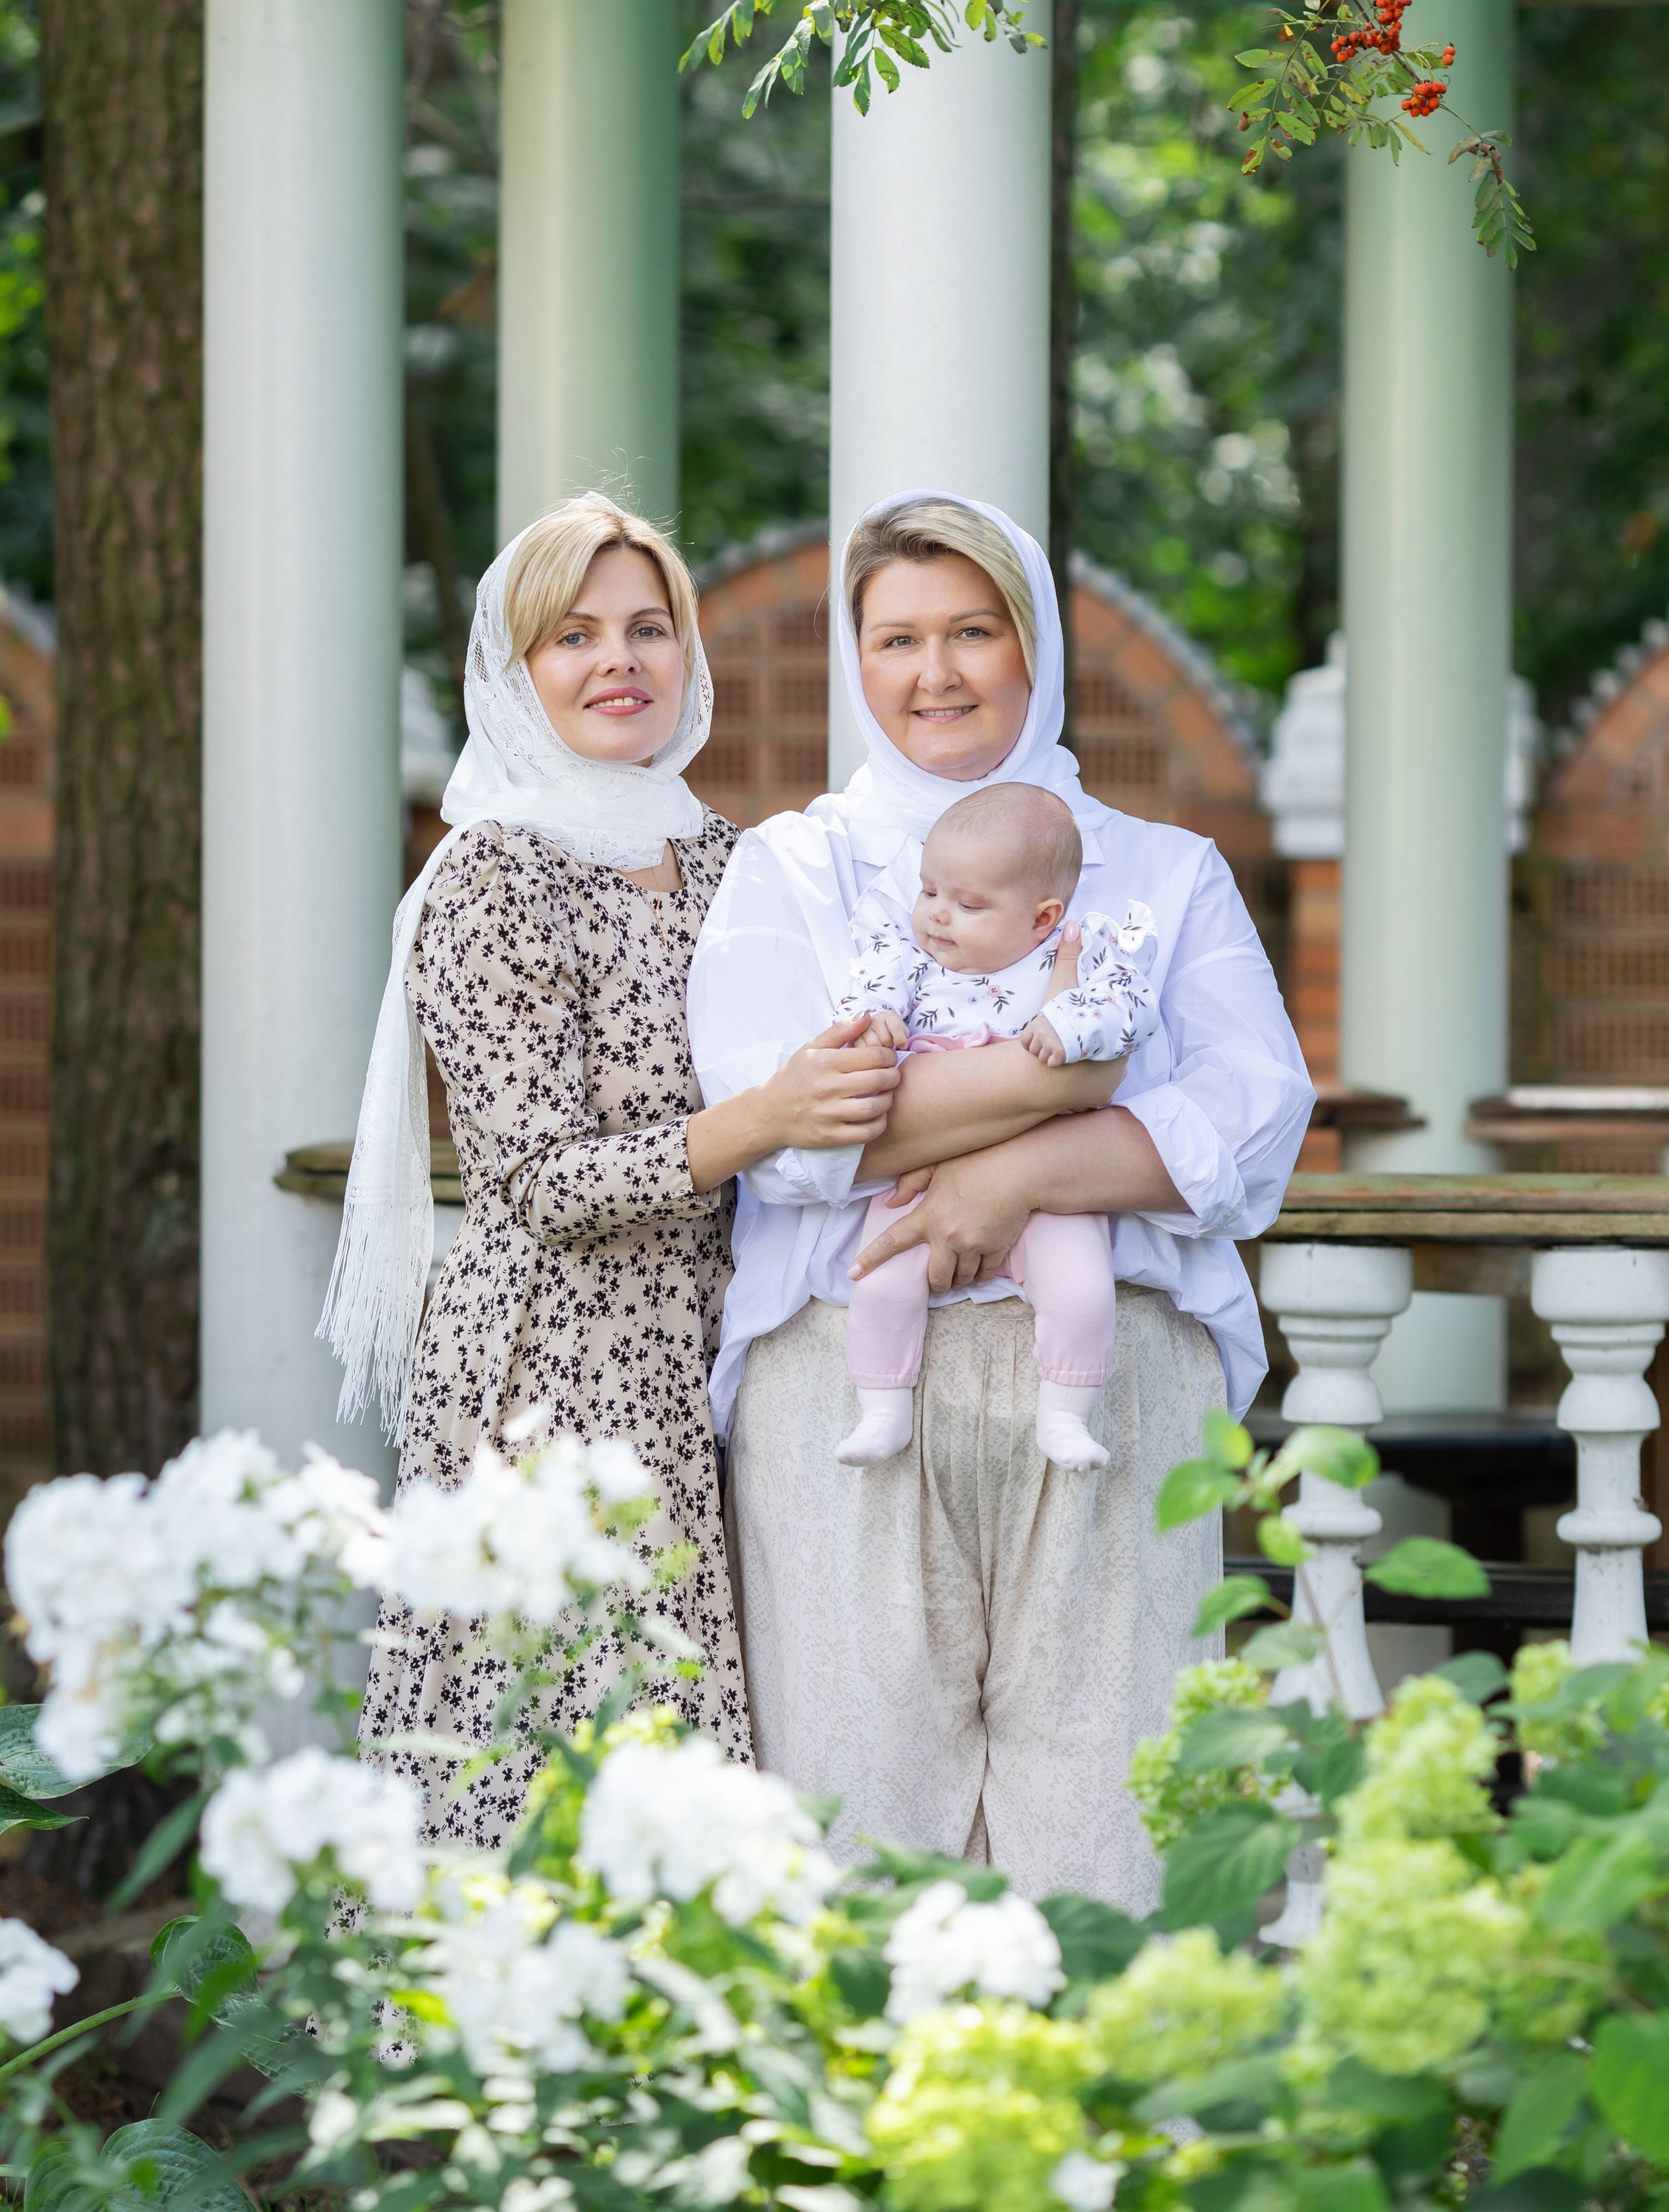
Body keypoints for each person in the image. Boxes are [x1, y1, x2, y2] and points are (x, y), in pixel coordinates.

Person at [686, 489, 1313, 1909]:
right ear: (858, 660)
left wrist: (1013, 1176)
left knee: (1118, 1788)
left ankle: (1103, 2116)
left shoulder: (1164, 868)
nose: (936, 675)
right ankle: (867, 2129)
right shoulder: (793, 866)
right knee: (852, 1790)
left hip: (1114, 1374)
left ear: (1035, 647)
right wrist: (1080, 1091)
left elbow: (1255, 1120)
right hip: (842, 1368)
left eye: (974, 631)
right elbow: (789, 1134)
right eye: (897, 638)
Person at [324, 493, 902, 1849]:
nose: (619, 660)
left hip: (727, 1333)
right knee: (566, 1749)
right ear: (514, 672)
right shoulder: (489, 878)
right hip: (554, 1365)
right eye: (572, 636)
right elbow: (535, 1179)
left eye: (649, 627)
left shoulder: (730, 860)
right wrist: (766, 1117)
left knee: (720, 1736)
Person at [834, 781, 1159, 1474]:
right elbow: (865, 991)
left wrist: (1069, 1025)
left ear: (1042, 918)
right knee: (881, 1281)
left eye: (968, 904)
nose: (937, 916)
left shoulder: (1075, 954)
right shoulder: (911, 960)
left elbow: (1131, 1012)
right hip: (925, 1168)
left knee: (1081, 1288)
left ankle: (1066, 1414)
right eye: (929, 892)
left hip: (1047, 1173)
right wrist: (879, 1023)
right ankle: (882, 1410)